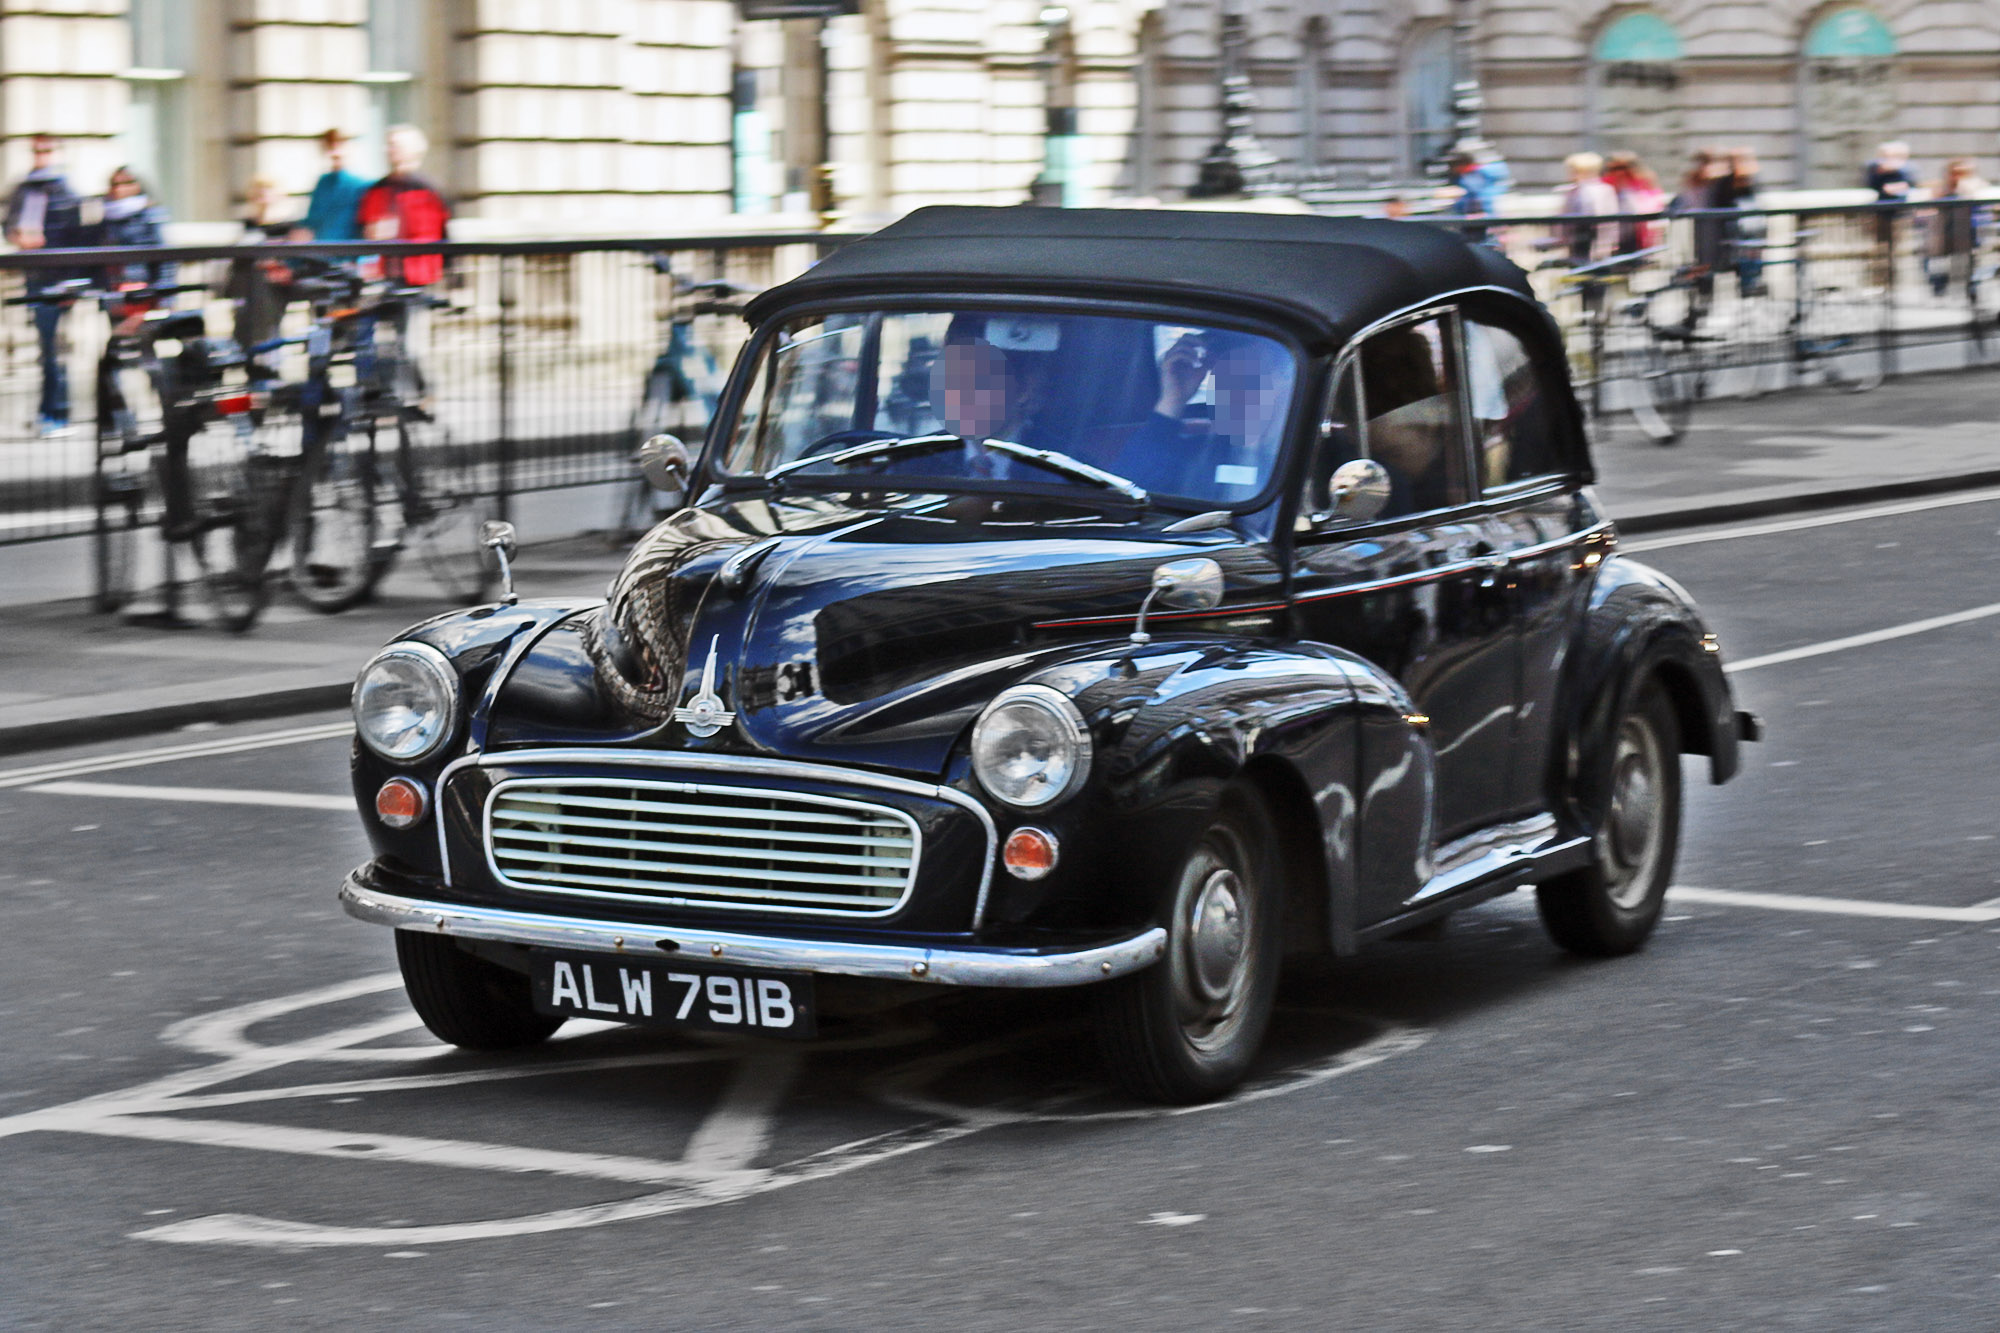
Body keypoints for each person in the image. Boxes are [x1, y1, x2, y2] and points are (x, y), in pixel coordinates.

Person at [1108, 331, 1294, 500]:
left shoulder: (1303, 456)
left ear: (1287, 379)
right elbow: (1126, 493)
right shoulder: (1199, 454)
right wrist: (1172, 401)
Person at [5, 133, 83, 435]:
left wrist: (71, 283)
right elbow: (10, 223)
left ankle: (58, 415)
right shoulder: (23, 188)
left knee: (55, 351)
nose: (42, 156)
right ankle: (47, 413)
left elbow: (76, 237)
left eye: (47, 150)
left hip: (58, 281)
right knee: (46, 350)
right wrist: (17, 237)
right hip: (34, 278)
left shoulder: (66, 190)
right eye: (37, 150)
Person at [357, 124, 451, 287]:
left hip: (421, 275)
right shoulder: (377, 189)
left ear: (412, 151)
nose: (388, 150)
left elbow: (440, 233)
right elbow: (365, 227)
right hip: (384, 274)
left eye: (394, 145)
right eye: (388, 145)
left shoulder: (429, 191)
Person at [230, 174, 294, 353]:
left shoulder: (287, 225)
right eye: (259, 191)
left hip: (273, 288)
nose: (263, 195)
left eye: (268, 190)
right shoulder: (248, 224)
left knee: (268, 327)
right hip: (246, 285)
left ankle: (268, 364)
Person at [1925, 157, 1988, 300]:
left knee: (1971, 261)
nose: (1958, 176)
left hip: (1970, 230)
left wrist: (1965, 188)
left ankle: (1971, 289)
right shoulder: (1942, 188)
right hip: (1945, 231)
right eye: (1955, 173)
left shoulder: (1977, 186)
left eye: (1963, 173)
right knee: (1938, 262)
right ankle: (1939, 288)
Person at [293, 128, 368, 244]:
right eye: (330, 146)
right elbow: (312, 219)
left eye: (339, 145)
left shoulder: (360, 185)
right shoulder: (323, 182)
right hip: (320, 250)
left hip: (348, 252)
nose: (335, 151)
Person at [1864, 141, 1916, 287]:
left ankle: (1893, 282)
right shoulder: (1875, 168)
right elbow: (1873, 185)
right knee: (1880, 249)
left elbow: (1910, 184)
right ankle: (1879, 281)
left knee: (1897, 250)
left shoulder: (1906, 169)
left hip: (1899, 215)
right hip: (1880, 213)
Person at [1716, 146, 1765, 296]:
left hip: (1750, 223)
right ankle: (1747, 283)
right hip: (1740, 224)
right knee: (1743, 253)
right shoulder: (1729, 180)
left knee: (1751, 253)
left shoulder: (1749, 178)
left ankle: (1751, 282)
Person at [1557, 152, 1620, 268]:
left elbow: (1606, 220)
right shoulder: (1572, 191)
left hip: (1594, 242)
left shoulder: (1603, 190)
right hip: (1576, 242)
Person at [1603, 151, 1667, 255]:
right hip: (1613, 228)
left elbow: (1653, 201)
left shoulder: (1643, 181)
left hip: (1638, 227)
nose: (1619, 172)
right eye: (1614, 169)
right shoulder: (1607, 183)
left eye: (1623, 168)